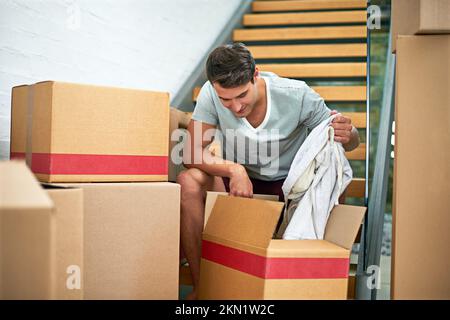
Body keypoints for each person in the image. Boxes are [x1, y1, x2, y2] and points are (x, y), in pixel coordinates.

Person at [177, 43, 360, 300]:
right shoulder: (211, 91)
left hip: (289, 187)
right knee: (189, 181)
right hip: (239, 187)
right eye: (225, 100)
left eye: (242, 96)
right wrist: (234, 169)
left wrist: (349, 133)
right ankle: (202, 287)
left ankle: (316, 285)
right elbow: (191, 153)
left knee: (332, 180)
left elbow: (345, 143)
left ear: (256, 75)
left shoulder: (297, 95)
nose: (236, 107)